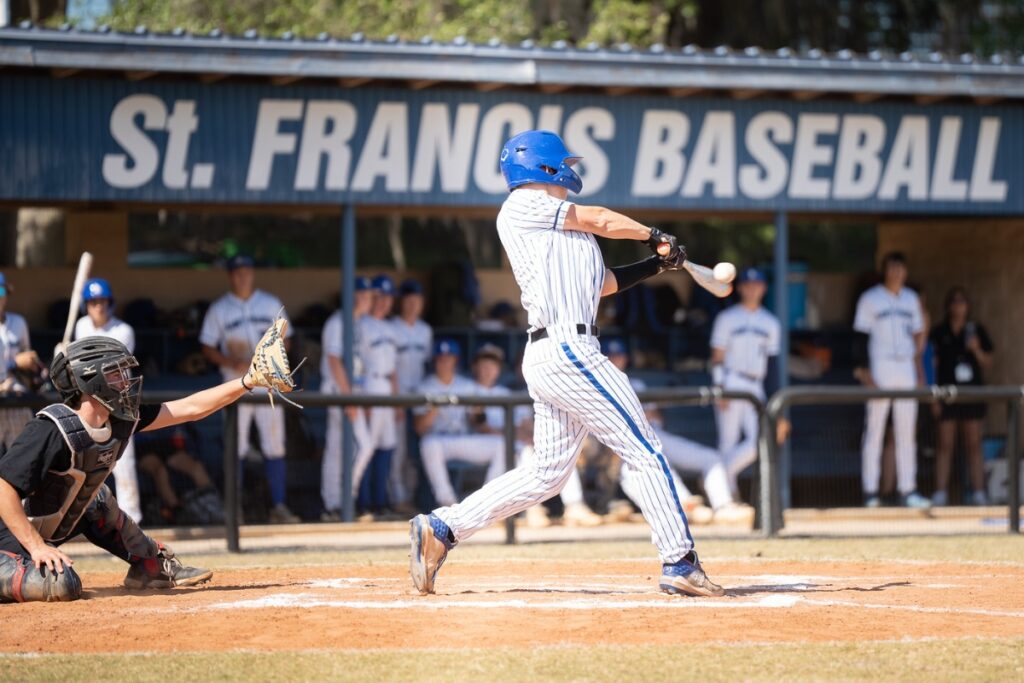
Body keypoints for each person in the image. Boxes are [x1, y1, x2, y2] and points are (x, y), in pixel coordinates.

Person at [410, 129, 723, 598]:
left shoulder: (565, 231)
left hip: (562, 352)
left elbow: (601, 286)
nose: (569, 169)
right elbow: (598, 217)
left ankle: (443, 527)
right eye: (562, 161)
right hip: (566, 350)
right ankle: (679, 561)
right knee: (644, 448)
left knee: (546, 475)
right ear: (541, 166)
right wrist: (652, 235)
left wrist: (656, 265)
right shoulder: (524, 203)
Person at [0, 335, 281, 602]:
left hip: (29, 543)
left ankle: (149, 567)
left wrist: (247, 381)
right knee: (62, 584)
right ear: (90, 380)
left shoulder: (120, 420)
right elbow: (3, 487)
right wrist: (37, 547)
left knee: (96, 500)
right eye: (115, 374)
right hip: (6, 547)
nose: (126, 381)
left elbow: (192, 407)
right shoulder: (50, 429)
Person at [605, 339, 752, 525]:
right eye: (610, 356)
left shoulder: (636, 383)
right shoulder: (594, 386)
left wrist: (637, 416)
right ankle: (685, 506)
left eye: (618, 356)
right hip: (623, 447)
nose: (615, 360)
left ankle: (723, 506)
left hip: (655, 436)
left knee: (711, 458)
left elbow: (656, 417)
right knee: (640, 468)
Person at [199, 254, 299, 524]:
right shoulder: (220, 308)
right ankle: (236, 510)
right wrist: (231, 360)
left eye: (246, 270)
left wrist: (271, 357)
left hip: (267, 382)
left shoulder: (269, 303)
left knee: (274, 444)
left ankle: (278, 507)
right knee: (237, 446)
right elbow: (207, 346)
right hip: (236, 381)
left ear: (252, 272)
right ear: (230, 275)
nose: (242, 275)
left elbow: (286, 338)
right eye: (237, 272)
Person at [469, 343, 603, 527]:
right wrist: (513, 434)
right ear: (475, 366)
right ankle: (525, 510)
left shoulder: (506, 392)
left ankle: (572, 506)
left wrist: (524, 435)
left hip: (513, 444)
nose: (488, 369)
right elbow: (478, 425)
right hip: (483, 443)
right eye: (484, 364)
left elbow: (526, 425)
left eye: (492, 365)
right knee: (521, 450)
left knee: (552, 453)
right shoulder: (468, 389)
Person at [853, 252, 930, 509]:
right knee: (875, 429)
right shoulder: (870, 298)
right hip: (881, 366)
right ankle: (870, 490)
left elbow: (919, 335)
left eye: (901, 267)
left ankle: (908, 488)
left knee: (906, 431)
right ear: (884, 270)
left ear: (906, 272)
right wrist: (864, 371)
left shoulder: (911, 299)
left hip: (905, 366)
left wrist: (919, 371)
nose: (896, 272)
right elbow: (860, 337)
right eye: (892, 267)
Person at [73, 277, 142, 524]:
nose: (98, 306)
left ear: (110, 303)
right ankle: (81, 519)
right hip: (91, 404)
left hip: (120, 402)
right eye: (93, 302)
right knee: (86, 462)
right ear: (86, 305)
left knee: (124, 463)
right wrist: (65, 354)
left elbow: (108, 364)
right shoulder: (80, 326)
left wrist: (74, 356)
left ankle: (132, 520)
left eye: (102, 301)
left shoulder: (123, 330)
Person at [709, 268, 781, 503]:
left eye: (757, 285)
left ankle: (717, 474)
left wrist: (775, 402)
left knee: (762, 439)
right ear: (740, 288)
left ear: (764, 288)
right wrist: (720, 387)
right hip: (732, 379)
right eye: (748, 285)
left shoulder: (770, 322)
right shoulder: (727, 317)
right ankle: (727, 498)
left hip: (756, 384)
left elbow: (772, 366)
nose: (752, 289)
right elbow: (717, 356)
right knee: (727, 442)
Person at [414, 340, 505, 508]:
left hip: (463, 439)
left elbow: (477, 420)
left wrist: (478, 414)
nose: (445, 363)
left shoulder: (467, 386)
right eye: (441, 359)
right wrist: (435, 407)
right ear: (435, 361)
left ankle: (488, 503)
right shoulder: (425, 387)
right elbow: (420, 428)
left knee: (502, 445)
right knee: (428, 444)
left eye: (449, 358)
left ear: (456, 361)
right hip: (439, 441)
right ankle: (447, 502)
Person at [930, 287, 995, 506]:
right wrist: (933, 398)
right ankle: (940, 493)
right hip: (946, 394)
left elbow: (988, 363)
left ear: (968, 306)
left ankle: (978, 492)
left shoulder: (976, 330)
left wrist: (976, 349)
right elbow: (931, 366)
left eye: (962, 301)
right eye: (954, 301)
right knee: (945, 443)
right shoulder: (939, 332)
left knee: (974, 443)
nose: (958, 306)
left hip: (972, 394)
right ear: (948, 305)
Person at [319, 276, 375, 522]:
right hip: (339, 391)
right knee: (358, 446)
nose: (365, 299)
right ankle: (339, 502)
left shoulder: (359, 323)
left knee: (341, 448)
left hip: (351, 391)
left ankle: (337, 503)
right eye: (360, 295)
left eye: (367, 295)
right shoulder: (338, 322)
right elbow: (333, 360)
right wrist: (348, 397)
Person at [355, 275, 400, 516]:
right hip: (370, 385)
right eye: (379, 297)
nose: (384, 302)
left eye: (388, 298)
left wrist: (398, 401)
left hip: (386, 388)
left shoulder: (390, 328)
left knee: (387, 446)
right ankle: (364, 504)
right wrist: (363, 400)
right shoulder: (361, 324)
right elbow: (357, 365)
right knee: (368, 447)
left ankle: (380, 502)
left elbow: (393, 368)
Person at [390, 278, 433, 513]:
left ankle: (410, 498)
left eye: (416, 300)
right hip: (396, 398)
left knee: (414, 453)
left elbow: (428, 365)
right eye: (408, 300)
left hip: (418, 398)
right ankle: (397, 497)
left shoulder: (425, 331)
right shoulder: (392, 327)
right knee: (397, 451)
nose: (412, 305)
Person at [135, 425, 224, 526]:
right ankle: (178, 512)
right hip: (141, 448)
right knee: (160, 471)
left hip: (165, 444)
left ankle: (214, 504)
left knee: (195, 467)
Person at [0, 272, 43, 450]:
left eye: (1, 292)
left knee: (23, 455)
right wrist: (14, 363)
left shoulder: (18, 322)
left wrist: (33, 365)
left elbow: (28, 358)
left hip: (15, 396)